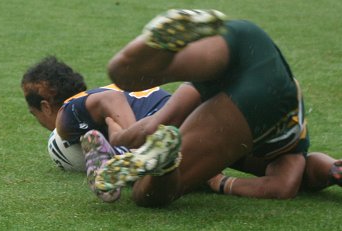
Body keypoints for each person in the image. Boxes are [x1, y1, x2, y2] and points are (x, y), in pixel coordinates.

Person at [82, 9, 342, 207]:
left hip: (249, 39)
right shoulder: (292, 151)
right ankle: (165, 163)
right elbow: (283, 187)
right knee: (147, 194)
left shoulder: (290, 149)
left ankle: (157, 39)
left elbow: (153, 124)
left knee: (127, 76)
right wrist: (220, 182)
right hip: (268, 94)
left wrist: (118, 138)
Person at [21, 56, 171, 202]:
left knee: (147, 189)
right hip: (184, 115)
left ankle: (122, 156)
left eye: (34, 114)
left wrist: (134, 145)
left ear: (45, 107)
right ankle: (120, 156)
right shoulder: (96, 97)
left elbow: (111, 99)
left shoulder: (66, 113)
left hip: (160, 123)